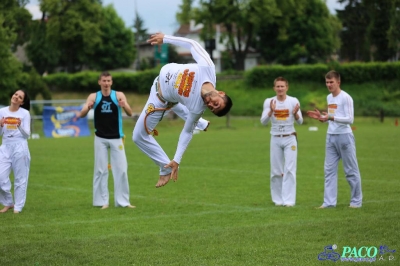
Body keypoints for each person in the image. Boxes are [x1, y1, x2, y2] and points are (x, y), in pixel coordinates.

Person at [133, 32, 233, 188]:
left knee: (138, 136)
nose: (211, 105)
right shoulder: (208, 68)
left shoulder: (198, 107)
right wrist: (165, 39)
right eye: (216, 103)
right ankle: (200, 123)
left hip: (160, 99)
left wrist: (176, 160)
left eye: (213, 109)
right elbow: (193, 44)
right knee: (186, 108)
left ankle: (164, 168)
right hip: (157, 83)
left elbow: (187, 132)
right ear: (221, 93)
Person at [307, 70, 362, 208]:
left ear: (338, 82)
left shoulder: (346, 98)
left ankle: (356, 201)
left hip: (345, 137)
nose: (329, 85)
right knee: (329, 171)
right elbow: (331, 118)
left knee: (350, 170)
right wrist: (323, 119)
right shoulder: (329, 98)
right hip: (330, 137)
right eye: (327, 82)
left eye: (331, 82)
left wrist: (330, 118)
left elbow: (350, 119)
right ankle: (329, 203)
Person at [79, 72, 135, 209]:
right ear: (99, 82)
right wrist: (88, 107)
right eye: (104, 81)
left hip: (117, 137)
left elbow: (130, 113)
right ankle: (101, 201)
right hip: (100, 138)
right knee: (100, 170)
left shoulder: (118, 95)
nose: (106, 83)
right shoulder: (94, 96)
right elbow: (81, 114)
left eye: (108, 81)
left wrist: (124, 105)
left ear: (112, 82)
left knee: (121, 170)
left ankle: (123, 202)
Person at [260, 77, 303, 207]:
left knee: (290, 169)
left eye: (282, 86)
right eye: (277, 86)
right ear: (274, 88)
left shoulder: (293, 101)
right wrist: (271, 111)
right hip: (275, 138)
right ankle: (278, 200)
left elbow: (301, 122)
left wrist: (295, 114)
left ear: (286, 87)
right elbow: (263, 122)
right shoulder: (269, 102)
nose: (280, 89)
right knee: (276, 170)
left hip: (290, 137)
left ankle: (289, 201)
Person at [0, 90, 31, 213]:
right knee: (1, 177)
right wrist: (1, 125)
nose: (16, 97)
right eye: (15, 95)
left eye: (20, 97)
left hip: (20, 147)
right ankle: (8, 202)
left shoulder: (25, 113)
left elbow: (27, 134)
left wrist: (19, 125)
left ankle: (18, 206)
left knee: (20, 178)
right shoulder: (2, 112)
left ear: (22, 102)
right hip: (5, 146)